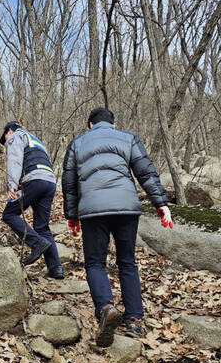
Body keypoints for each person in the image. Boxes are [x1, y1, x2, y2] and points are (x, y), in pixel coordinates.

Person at [62, 107, 173, 348]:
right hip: (126, 207)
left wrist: (71, 216)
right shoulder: (128, 138)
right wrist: (161, 204)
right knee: (127, 262)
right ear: (113, 124)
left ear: (89, 125)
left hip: (92, 210)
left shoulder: (77, 143)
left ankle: (106, 307)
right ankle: (134, 319)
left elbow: (69, 182)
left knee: (94, 262)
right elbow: (146, 172)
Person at [0, 121, 64, 279]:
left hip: (34, 180)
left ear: (9, 131)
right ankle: (56, 268)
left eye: (5, 136)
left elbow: (15, 160)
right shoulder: (36, 140)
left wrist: (12, 186)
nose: (6, 141)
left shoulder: (16, 136)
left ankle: (36, 243)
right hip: (49, 182)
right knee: (42, 227)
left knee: (9, 214)